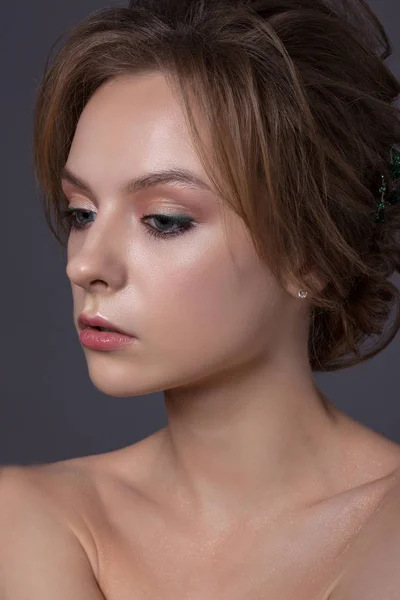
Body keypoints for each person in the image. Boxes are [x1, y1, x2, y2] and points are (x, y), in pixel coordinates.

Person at [1, 0, 400, 597]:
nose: (84, 264)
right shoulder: (30, 517)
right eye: (80, 212)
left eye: (163, 221)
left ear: (310, 257)